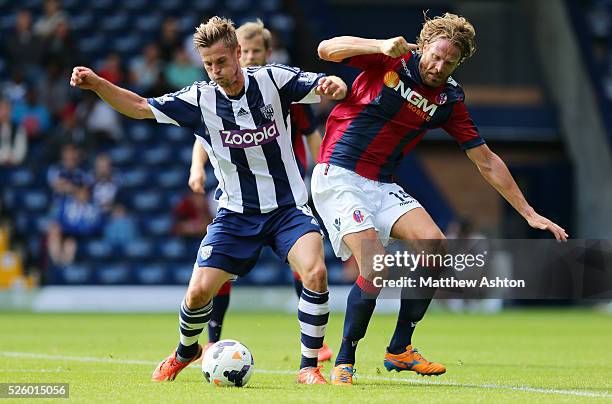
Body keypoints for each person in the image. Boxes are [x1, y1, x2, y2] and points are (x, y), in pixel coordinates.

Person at [70, 16, 347, 384]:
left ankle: (308, 367)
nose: (216, 70)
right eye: (209, 64)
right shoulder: (199, 98)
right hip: (234, 215)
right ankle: (186, 350)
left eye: (222, 61)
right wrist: (98, 84)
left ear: (237, 53)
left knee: (315, 271)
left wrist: (335, 84)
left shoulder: (273, 80)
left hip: (287, 208)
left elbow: (325, 84)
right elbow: (138, 106)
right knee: (199, 292)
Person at [312, 12, 568, 385]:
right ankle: (345, 359)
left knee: (436, 246)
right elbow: (326, 50)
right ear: (424, 45)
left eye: (450, 62)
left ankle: (400, 349)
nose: (439, 66)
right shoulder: (391, 58)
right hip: (339, 174)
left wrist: (528, 212)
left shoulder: (448, 98)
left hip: (382, 184)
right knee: (377, 265)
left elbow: (486, 160)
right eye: (436, 56)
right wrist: (378, 44)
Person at [187, 19, 332, 362]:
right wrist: (196, 169)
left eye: (255, 51)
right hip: (240, 194)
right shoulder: (214, 99)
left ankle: (313, 346)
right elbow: (204, 137)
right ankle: (212, 339)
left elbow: (314, 139)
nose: (250, 57)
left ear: (267, 53)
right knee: (218, 272)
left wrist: (324, 177)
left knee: (307, 267)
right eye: (246, 51)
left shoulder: (283, 88)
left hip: (286, 194)